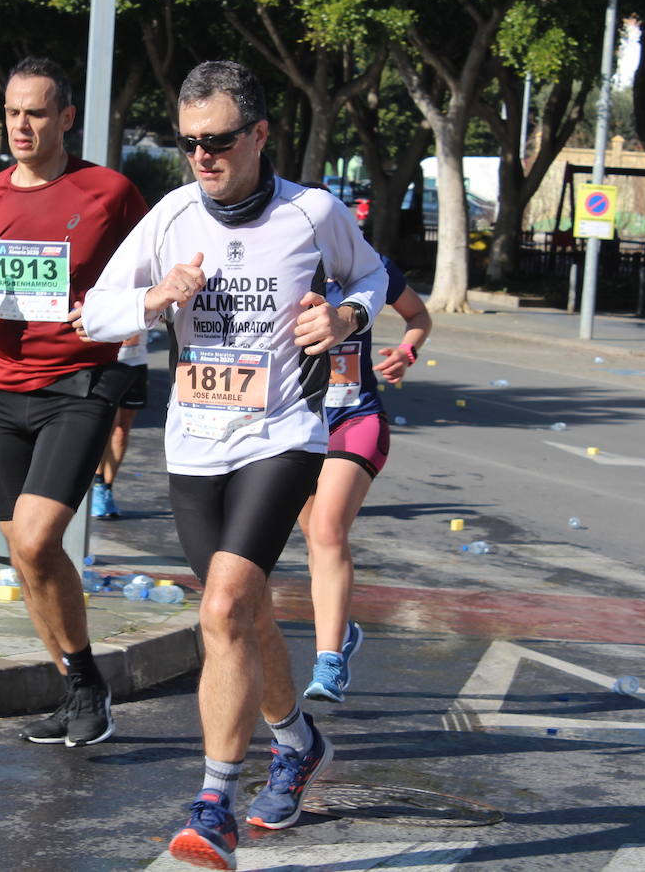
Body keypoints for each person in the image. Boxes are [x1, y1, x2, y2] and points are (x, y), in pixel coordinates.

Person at [78, 60, 387, 870]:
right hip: (193, 442)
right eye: (188, 143)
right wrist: (153, 298)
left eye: (216, 140)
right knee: (242, 616)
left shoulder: (311, 212)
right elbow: (94, 312)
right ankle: (295, 741)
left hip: (282, 434)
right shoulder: (173, 217)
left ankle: (213, 800)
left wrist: (348, 315)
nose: (201, 158)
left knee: (220, 607)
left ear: (257, 134)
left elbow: (372, 274)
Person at [0, 56, 148, 748]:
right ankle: (75, 688)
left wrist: (118, 313)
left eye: (34, 112)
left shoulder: (109, 192)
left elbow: (153, 278)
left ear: (65, 118)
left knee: (35, 537)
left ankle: (86, 681)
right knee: (23, 558)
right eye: (11, 112)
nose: (20, 126)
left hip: (79, 385)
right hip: (0, 387)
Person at [297, 252, 430, 704]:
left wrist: (407, 351)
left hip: (357, 418)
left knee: (327, 530)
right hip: (295, 425)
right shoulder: (278, 266)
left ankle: (328, 660)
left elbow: (417, 315)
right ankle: (342, 632)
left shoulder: (372, 268)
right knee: (315, 541)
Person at [89, 329, 148, 519]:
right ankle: (97, 485)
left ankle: (107, 488)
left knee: (122, 429)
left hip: (136, 361)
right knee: (106, 426)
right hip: (106, 362)